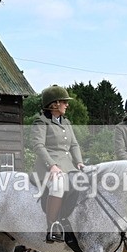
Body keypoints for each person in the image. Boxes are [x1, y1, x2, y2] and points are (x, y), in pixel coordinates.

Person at [30, 85, 85, 243]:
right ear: (54, 104)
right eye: (64, 102)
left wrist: (79, 162)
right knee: (59, 185)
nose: (67, 105)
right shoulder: (41, 122)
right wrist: (52, 165)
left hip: (69, 166)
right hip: (48, 167)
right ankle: (52, 226)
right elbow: (38, 146)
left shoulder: (66, 122)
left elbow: (74, 145)